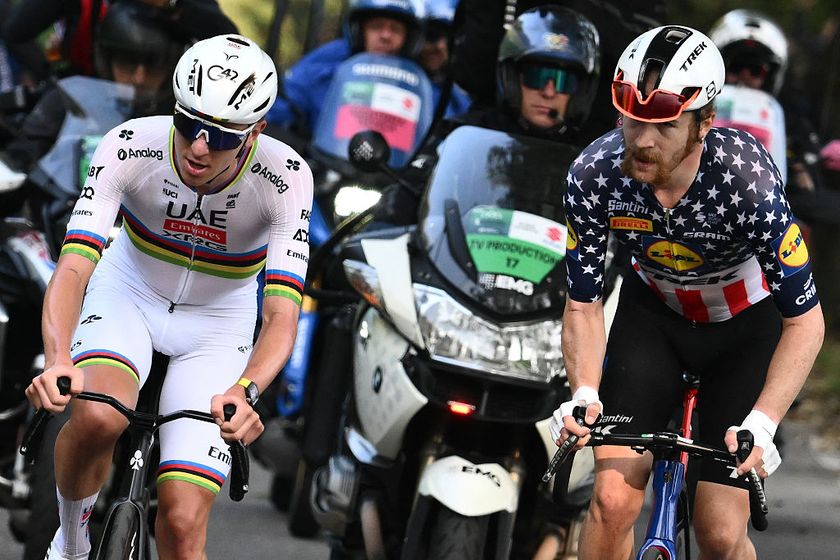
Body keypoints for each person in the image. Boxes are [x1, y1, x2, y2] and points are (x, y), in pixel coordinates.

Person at [25, 33, 313, 560]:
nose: (200, 146)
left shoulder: (286, 178)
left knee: (181, 525)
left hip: (218, 323)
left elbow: (279, 314)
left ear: (257, 132)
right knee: (97, 418)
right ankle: (68, 541)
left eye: (223, 135)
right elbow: (72, 269)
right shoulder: (131, 144)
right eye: (190, 124)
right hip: (129, 293)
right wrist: (59, 357)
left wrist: (247, 389)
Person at [551, 25, 824, 559]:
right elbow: (583, 304)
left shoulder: (747, 180)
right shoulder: (594, 173)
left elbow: (806, 322)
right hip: (654, 319)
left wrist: (763, 424)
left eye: (665, 125)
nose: (643, 140)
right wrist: (584, 390)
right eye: (632, 117)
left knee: (720, 532)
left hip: (744, 328)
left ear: (704, 124)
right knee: (610, 500)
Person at [374, 5, 601, 226]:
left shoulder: (596, 157)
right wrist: (391, 214)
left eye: (564, 82)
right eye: (537, 76)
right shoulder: (463, 134)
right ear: (512, 78)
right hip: (458, 261)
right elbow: (401, 203)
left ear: (581, 91)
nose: (548, 92)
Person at [5, 0, 187, 174]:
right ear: (108, 60)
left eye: (154, 64)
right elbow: (22, 155)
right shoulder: (69, 100)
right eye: (127, 62)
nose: (139, 77)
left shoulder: (186, 116)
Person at [266, 0, 423, 136]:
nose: (386, 35)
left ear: (408, 39)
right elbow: (285, 103)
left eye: (395, 29)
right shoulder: (329, 59)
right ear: (359, 31)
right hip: (324, 165)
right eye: (376, 26)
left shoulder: (418, 82)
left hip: (390, 169)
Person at [420, 0, 471, 118]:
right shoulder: (393, 83)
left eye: (449, 38)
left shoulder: (458, 96)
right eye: (432, 35)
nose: (441, 46)